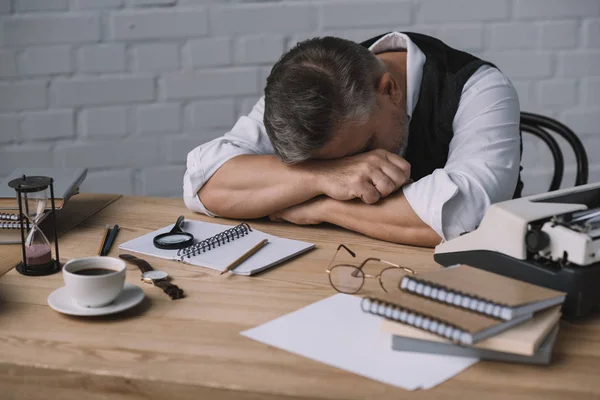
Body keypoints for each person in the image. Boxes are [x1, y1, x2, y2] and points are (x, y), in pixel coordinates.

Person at [183, 32, 522, 247]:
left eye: (362, 149)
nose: (353, 172)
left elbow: (467, 216)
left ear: (389, 90)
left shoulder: (480, 88)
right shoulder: (310, 85)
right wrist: (324, 176)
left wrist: (320, 206)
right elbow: (206, 182)